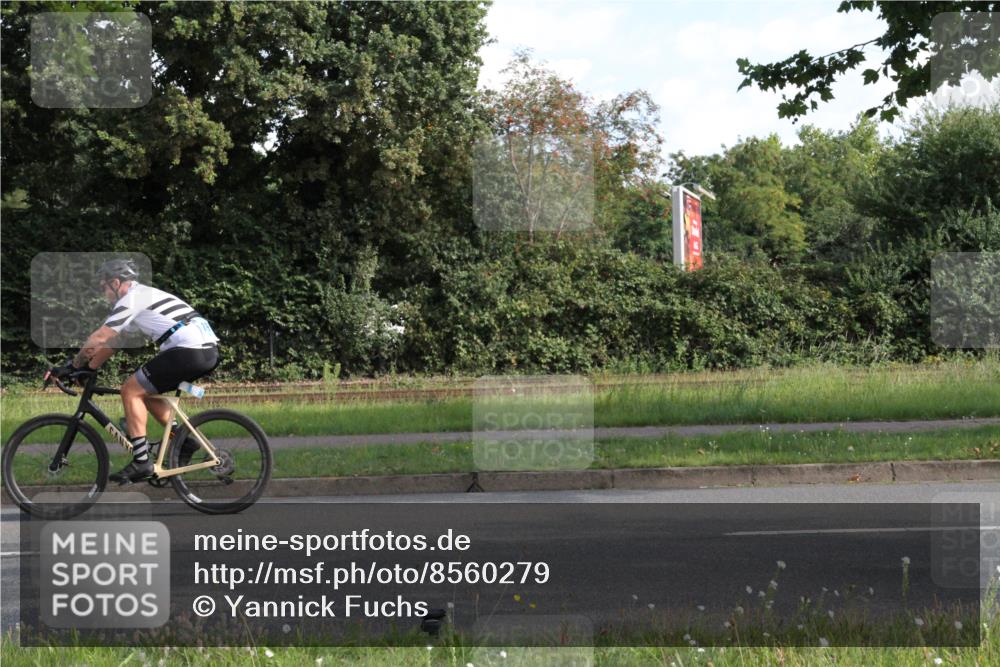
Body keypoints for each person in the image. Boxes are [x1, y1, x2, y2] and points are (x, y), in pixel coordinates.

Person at [54, 259, 220, 483]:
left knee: (130, 390)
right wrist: (90, 367)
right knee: (145, 392)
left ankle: (142, 461)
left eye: (103, 287)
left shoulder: (132, 298)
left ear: (115, 283)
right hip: (203, 350)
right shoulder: (141, 296)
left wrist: (74, 365)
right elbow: (117, 340)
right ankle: (183, 441)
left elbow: (101, 336)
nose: (103, 293)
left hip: (189, 349)